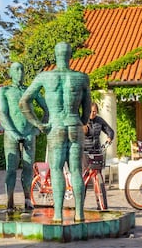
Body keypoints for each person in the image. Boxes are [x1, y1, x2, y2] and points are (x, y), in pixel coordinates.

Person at [19, 42, 92, 222]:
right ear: (70, 55)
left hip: (56, 125)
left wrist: (38, 123)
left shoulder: (45, 77)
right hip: (74, 123)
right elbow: (88, 108)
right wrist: (79, 122)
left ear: (55, 55)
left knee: (57, 169)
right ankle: (79, 213)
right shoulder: (81, 77)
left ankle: (58, 213)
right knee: (76, 170)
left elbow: (23, 102)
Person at [0, 62, 48, 211]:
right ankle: (9, 201)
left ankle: (27, 199)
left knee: (28, 167)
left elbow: (46, 108)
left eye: (22, 69)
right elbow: (3, 114)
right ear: (10, 73)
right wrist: (13, 132)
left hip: (29, 133)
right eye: (16, 70)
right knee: (10, 168)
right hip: (11, 133)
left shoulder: (30, 91)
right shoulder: (4, 91)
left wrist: (39, 128)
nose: (20, 72)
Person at [83, 102, 114, 170]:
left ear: (97, 111)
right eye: (90, 111)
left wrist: (109, 137)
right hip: (85, 152)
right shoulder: (83, 120)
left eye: (94, 111)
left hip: (97, 151)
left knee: (96, 171)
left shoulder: (99, 120)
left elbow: (110, 131)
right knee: (86, 173)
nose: (92, 113)